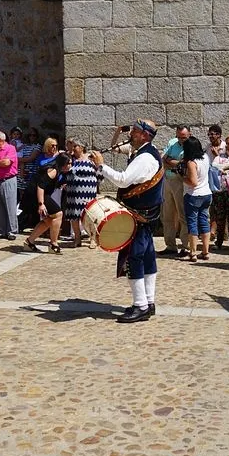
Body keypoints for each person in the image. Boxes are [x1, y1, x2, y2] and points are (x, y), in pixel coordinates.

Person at [90, 119, 164, 323]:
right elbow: (119, 150)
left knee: (135, 257)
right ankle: (148, 302)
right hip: (146, 213)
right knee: (147, 256)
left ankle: (140, 306)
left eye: (135, 131)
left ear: (145, 135)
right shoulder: (147, 151)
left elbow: (122, 179)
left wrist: (101, 166)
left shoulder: (145, 158)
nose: (131, 133)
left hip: (138, 215)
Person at [23, 152, 72, 254]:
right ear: (62, 163)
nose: (70, 166)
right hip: (34, 195)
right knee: (58, 214)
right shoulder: (53, 171)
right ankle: (53, 244)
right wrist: (41, 204)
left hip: (39, 194)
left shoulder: (58, 171)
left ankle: (29, 242)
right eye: (68, 163)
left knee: (48, 220)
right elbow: (40, 186)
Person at [180, 136, 213, 262]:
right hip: (206, 193)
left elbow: (193, 182)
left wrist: (182, 177)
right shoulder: (205, 158)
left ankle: (193, 252)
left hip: (194, 195)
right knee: (204, 222)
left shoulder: (191, 162)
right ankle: (205, 252)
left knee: (192, 223)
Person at [64, 139, 100, 248]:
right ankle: (77, 239)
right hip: (73, 192)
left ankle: (93, 238)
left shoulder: (90, 159)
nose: (73, 149)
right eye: (72, 146)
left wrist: (96, 184)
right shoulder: (70, 159)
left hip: (87, 192)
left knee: (90, 216)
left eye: (75, 146)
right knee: (74, 216)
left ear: (82, 147)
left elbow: (100, 172)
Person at [161, 126, 190, 256]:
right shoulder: (172, 142)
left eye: (183, 137)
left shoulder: (191, 145)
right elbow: (163, 160)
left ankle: (185, 246)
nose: (181, 140)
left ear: (189, 134)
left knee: (182, 214)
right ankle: (170, 245)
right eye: (179, 136)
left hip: (181, 181)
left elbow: (184, 165)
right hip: (168, 179)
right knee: (167, 215)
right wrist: (174, 163)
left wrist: (170, 162)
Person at [0, 130, 19, 241]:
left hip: (9, 180)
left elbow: (6, 163)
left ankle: (12, 230)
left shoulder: (10, 148)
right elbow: (2, 162)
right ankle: (2, 230)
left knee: (10, 206)